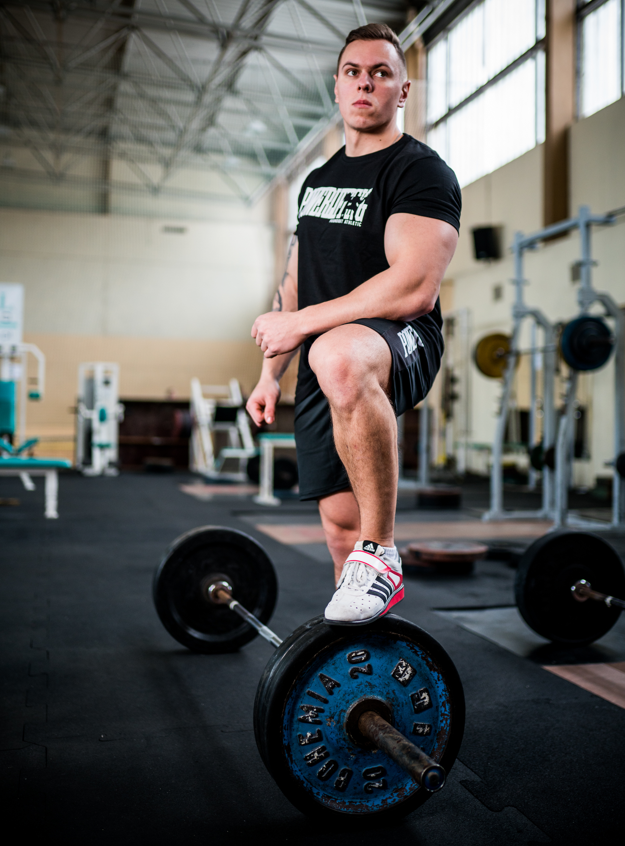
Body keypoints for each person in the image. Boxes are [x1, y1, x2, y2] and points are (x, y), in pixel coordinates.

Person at [246, 22, 461, 626]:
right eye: (352, 73)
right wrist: (269, 375)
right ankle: (363, 651)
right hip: (323, 352)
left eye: (381, 73)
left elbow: (414, 286)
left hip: (400, 340)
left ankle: (383, 553)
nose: (365, 83)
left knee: (336, 353)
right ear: (336, 89)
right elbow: (294, 281)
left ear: (403, 89)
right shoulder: (315, 183)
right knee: (340, 529)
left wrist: (307, 327)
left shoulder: (420, 171)